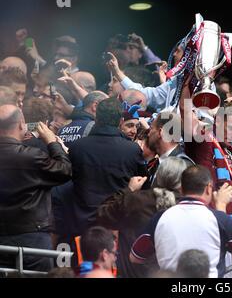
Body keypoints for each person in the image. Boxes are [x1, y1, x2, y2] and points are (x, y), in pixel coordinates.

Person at [130, 165, 232, 278]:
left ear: (181, 189)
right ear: (208, 188)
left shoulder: (160, 218)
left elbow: (135, 257)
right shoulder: (220, 219)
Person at [0, 105, 72, 271]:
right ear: (21, 124)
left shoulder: (30, 155)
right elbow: (65, 171)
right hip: (32, 237)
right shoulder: (31, 156)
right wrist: (52, 142)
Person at [97, 157, 188, 277]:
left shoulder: (135, 199)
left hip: (132, 272)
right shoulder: (189, 207)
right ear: (182, 182)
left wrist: (128, 190)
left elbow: (103, 213)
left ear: (158, 176)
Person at [68, 97, 146, 236]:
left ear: (96, 119)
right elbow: (144, 184)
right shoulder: (131, 150)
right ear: (121, 121)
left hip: (82, 226)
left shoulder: (77, 147)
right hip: (116, 225)